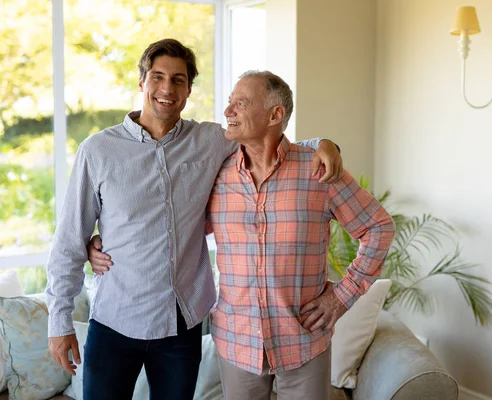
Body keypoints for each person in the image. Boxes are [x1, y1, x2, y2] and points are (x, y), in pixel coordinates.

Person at [45, 39, 343, 400]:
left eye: (178, 80)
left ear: (188, 90)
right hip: (114, 323)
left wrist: (325, 143)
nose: (167, 89)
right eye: (157, 77)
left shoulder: (211, 140)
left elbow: (268, 138)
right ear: (142, 82)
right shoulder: (98, 151)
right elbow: (69, 241)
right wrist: (59, 322)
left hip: (181, 329)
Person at [90, 70, 395, 400]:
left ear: (275, 114)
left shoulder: (317, 171)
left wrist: (342, 295)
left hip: (304, 339)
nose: (227, 112)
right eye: (229, 103)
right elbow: (171, 225)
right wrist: (103, 242)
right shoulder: (215, 172)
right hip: (237, 344)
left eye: (240, 103)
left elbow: (378, 226)